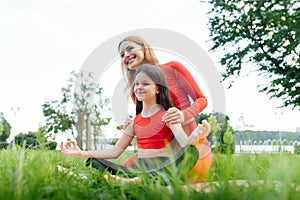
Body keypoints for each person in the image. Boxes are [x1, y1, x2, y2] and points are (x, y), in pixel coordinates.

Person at [60, 64, 210, 184]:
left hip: (163, 167)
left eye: (145, 84)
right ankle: (127, 180)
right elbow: (115, 151)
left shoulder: (168, 115)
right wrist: (81, 152)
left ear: (157, 89)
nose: (139, 87)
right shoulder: (134, 121)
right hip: (140, 169)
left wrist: (197, 135)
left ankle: (133, 182)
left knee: (191, 153)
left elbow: (185, 143)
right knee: (93, 162)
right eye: (137, 83)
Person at [118, 35, 212, 182]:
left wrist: (183, 114)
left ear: (144, 48)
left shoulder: (173, 68)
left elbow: (202, 99)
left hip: (188, 143)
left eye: (129, 49)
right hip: (160, 152)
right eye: (122, 54)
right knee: (120, 172)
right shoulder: (136, 91)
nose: (126, 56)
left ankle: (140, 181)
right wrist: (132, 126)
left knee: (184, 177)